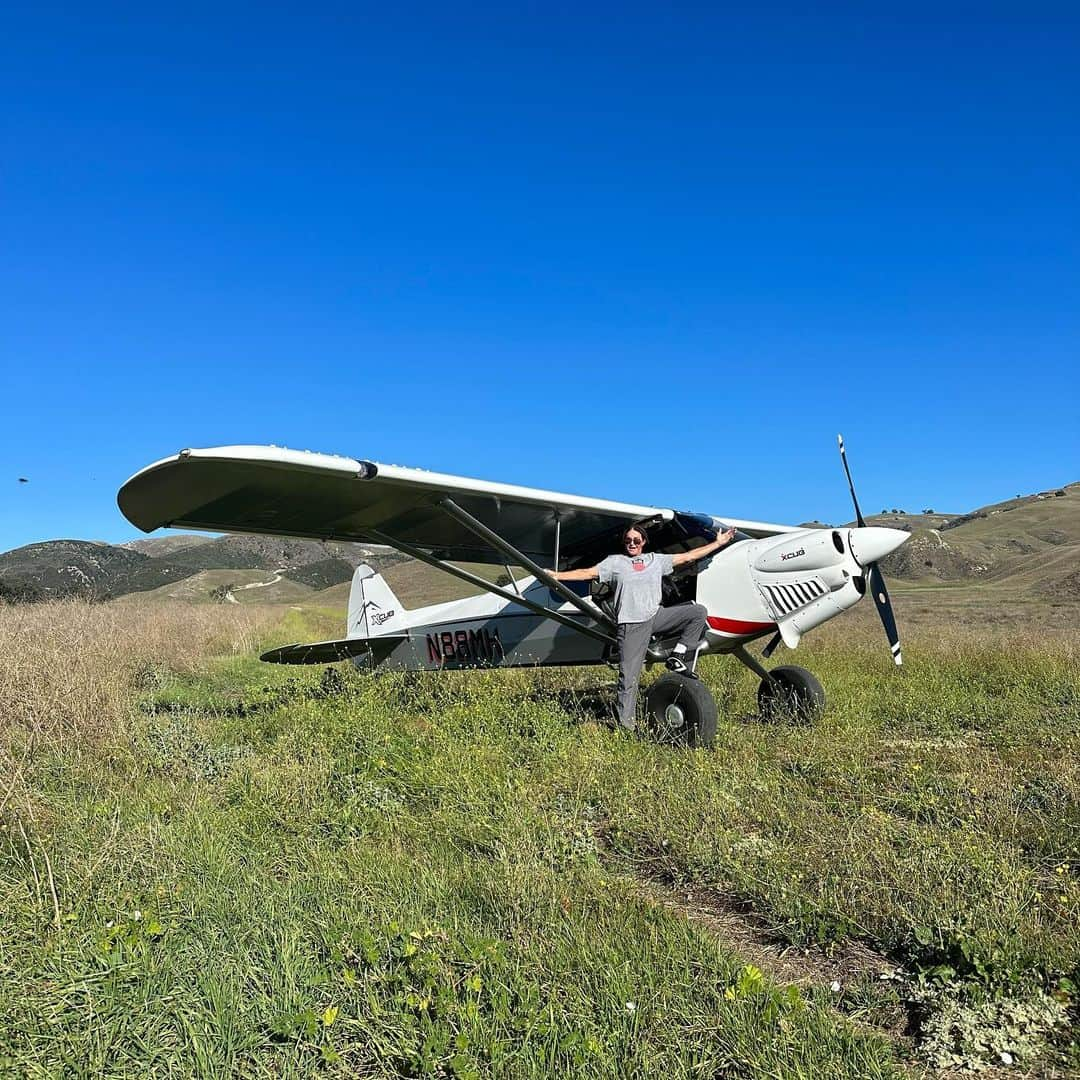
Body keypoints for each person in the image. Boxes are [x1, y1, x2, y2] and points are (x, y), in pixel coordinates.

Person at [551, 522, 737, 730]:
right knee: (629, 677)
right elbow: (588, 573)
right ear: (624, 543)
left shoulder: (655, 560)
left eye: (636, 540)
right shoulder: (615, 563)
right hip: (631, 625)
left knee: (698, 612)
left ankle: (677, 655)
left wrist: (718, 543)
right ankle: (626, 725)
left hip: (656, 616)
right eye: (628, 540)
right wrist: (557, 576)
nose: (632, 543)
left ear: (644, 542)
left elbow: (689, 556)